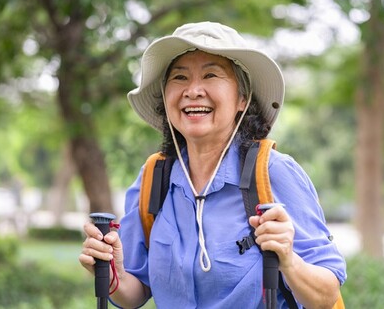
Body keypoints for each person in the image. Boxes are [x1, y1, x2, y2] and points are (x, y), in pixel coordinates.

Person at [79, 21, 347, 309]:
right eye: (179, 78)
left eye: (210, 75)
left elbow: (326, 295)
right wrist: (113, 275)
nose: (193, 90)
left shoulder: (272, 172)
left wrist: (289, 261)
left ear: (242, 99)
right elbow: (136, 292)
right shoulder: (154, 177)